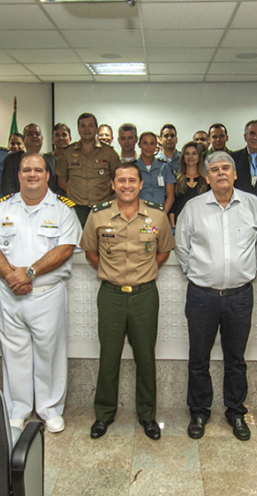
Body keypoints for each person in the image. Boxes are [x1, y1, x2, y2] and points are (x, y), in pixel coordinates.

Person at [0, 152, 81, 434]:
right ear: (19, 175)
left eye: (38, 170)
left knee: (50, 353)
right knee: (14, 353)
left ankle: (50, 410)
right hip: (10, 293)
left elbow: (65, 249)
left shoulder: (62, 209)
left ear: (48, 175)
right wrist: (13, 276)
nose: (32, 174)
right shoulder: (3, 208)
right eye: (26, 170)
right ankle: (18, 409)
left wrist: (29, 272)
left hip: (46, 293)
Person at [175, 151, 257, 441]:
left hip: (239, 296)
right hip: (202, 295)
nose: (220, 173)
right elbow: (182, 247)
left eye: (226, 168)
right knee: (198, 358)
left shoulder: (252, 205)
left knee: (236, 358)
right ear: (206, 176)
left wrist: (243, 272)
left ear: (235, 173)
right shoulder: (193, 207)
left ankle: (236, 412)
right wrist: (203, 273)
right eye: (214, 169)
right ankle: (199, 412)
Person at [81, 163, 174, 441]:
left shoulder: (157, 216)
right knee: (109, 357)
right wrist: (113, 275)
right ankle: (104, 415)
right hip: (110, 295)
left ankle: (147, 416)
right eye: (120, 180)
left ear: (141, 184)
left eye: (132, 180)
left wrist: (141, 275)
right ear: (113, 185)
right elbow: (90, 253)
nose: (126, 185)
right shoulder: (97, 215)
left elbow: (163, 253)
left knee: (145, 357)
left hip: (145, 295)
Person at [55, 112, 121, 226]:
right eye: (83, 125)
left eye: (90, 125)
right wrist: (76, 193)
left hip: (102, 208)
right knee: (77, 241)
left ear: (96, 128)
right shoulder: (68, 153)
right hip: (76, 208)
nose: (87, 129)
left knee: (102, 240)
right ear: (78, 129)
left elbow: (118, 179)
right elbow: (61, 181)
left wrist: (103, 194)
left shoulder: (109, 153)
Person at [2, 123, 60, 196]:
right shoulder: (12, 159)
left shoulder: (54, 161)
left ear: (42, 138)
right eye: (30, 134)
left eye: (37, 134)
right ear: (23, 139)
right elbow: (8, 188)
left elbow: (58, 188)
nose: (34, 136)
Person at [168, 141, 208, 227]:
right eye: (187, 153)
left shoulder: (207, 181)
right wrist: (173, 225)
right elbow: (173, 206)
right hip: (180, 224)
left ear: (199, 157)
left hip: (201, 225)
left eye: (194, 153)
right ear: (183, 157)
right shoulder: (175, 180)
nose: (190, 156)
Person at [134, 131, 175, 212]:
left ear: (156, 145)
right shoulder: (133, 168)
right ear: (139, 145)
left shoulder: (164, 166)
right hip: (139, 213)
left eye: (152, 143)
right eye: (145, 143)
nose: (148, 147)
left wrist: (162, 215)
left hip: (160, 212)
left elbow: (170, 196)